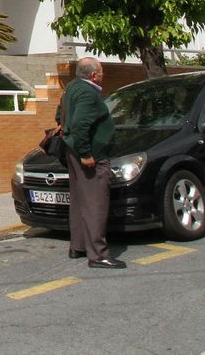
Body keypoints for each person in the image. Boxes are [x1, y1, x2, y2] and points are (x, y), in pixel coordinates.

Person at [63, 57, 124, 269]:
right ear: (93, 75)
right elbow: (80, 124)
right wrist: (86, 153)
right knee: (95, 203)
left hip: (72, 150)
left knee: (80, 200)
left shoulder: (72, 87)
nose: (103, 74)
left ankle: (78, 246)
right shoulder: (88, 93)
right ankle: (98, 255)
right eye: (101, 71)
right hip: (90, 155)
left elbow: (60, 116)